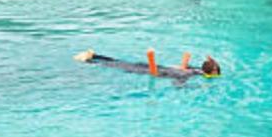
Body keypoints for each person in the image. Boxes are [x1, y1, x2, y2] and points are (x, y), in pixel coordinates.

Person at [73, 48, 222, 81]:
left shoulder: (195, 70)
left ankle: (93, 56)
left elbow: (182, 69)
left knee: (122, 64)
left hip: (157, 68)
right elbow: (177, 81)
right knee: (120, 65)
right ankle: (88, 59)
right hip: (153, 71)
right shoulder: (191, 73)